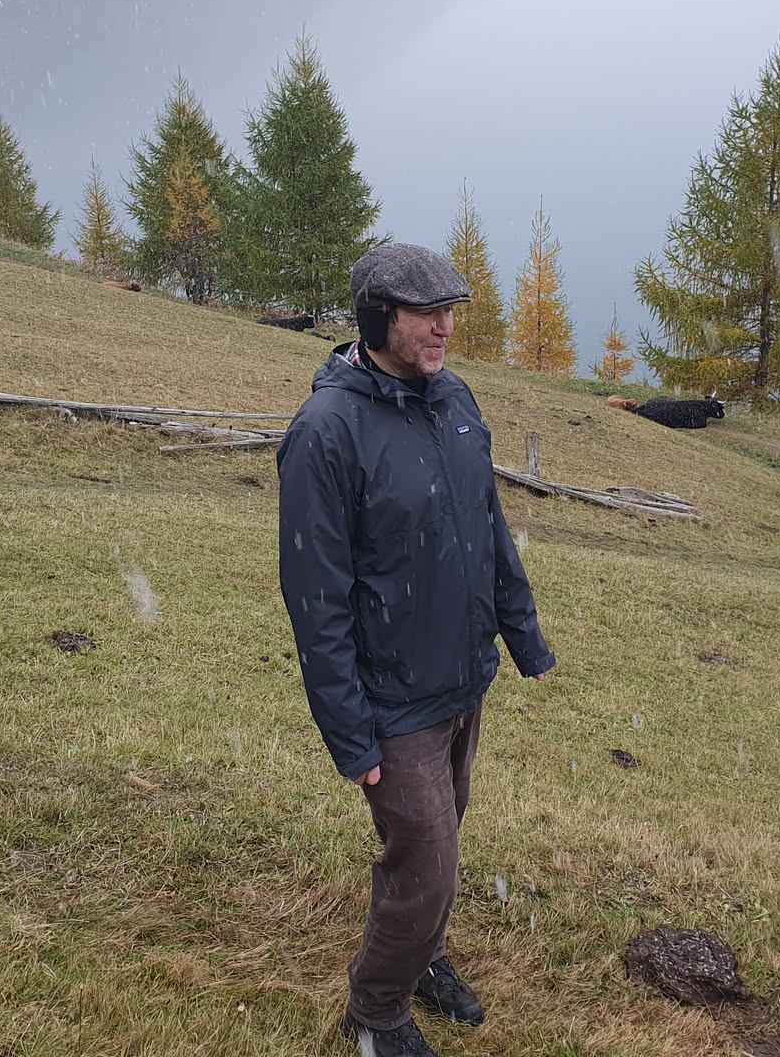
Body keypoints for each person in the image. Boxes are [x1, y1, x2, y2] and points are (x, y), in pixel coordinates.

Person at [277, 243, 557, 1057]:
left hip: (461, 677)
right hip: (390, 699)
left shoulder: (455, 399)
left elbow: (487, 526)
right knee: (427, 862)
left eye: (450, 313)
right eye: (425, 314)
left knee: (442, 843)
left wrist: (522, 634)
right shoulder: (326, 432)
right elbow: (316, 600)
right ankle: (376, 1012)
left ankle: (424, 957)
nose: (444, 329)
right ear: (377, 319)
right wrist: (350, 734)